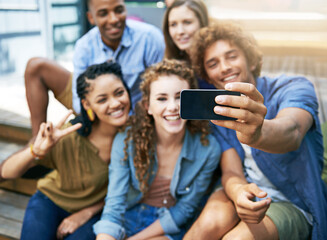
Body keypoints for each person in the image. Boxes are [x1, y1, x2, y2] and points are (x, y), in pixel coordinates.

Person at [184, 21, 327, 240]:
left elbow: (292, 132)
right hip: (246, 191)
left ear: (250, 59)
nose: (224, 67)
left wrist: (259, 133)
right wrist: (238, 191)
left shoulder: (293, 87)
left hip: (291, 201)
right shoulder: (219, 110)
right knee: (204, 229)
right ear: (208, 76)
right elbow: (231, 172)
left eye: (232, 56)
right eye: (213, 63)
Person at [0, 61, 131, 240]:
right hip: (50, 201)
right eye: (102, 99)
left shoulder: (136, 136)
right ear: (86, 104)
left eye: (119, 93)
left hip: (98, 210)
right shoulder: (71, 135)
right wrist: (35, 150)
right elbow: (7, 171)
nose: (115, 103)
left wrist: (86, 212)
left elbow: (129, 191)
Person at [93, 59, 221, 240]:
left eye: (180, 97)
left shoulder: (208, 149)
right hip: (127, 218)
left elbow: (184, 210)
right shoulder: (127, 139)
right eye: (162, 99)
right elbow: (115, 203)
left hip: (167, 226)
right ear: (148, 107)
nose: (173, 107)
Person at [25, 0, 165, 136]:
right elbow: (78, 101)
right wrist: (100, 113)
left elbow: (160, 91)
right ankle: (37, 140)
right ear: (91, 18)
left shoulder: (150, 38)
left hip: (133, 108)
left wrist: (126, 116)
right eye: (103, 13)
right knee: (36, 66)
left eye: (119, 10)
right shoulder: (84, 46)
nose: (113, 19)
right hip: (96, 104)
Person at [162, 0, 213, 89]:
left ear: (202, 23)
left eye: (187, 22)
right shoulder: (172, 65)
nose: (180, 31)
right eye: (173, 24)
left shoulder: (217, 61)